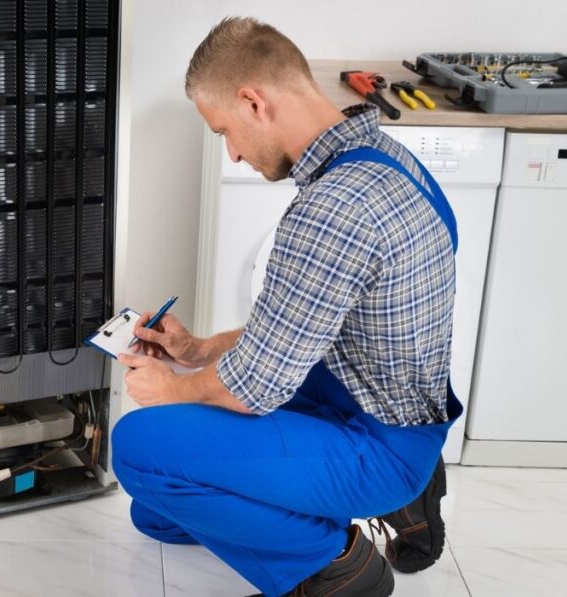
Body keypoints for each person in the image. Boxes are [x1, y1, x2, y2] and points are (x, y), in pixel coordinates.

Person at [111, 16, 462, 597]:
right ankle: (377, 500)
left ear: (254, 102)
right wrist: (197, 351)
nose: (233, 153)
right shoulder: (385, 155)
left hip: (375, 441)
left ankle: (339, 568)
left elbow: (254, 389)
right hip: (371, 398)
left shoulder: (331, 209)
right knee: (154, 513)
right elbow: (305, 321)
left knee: (139, 448)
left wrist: (172, 388)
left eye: (225, 130)